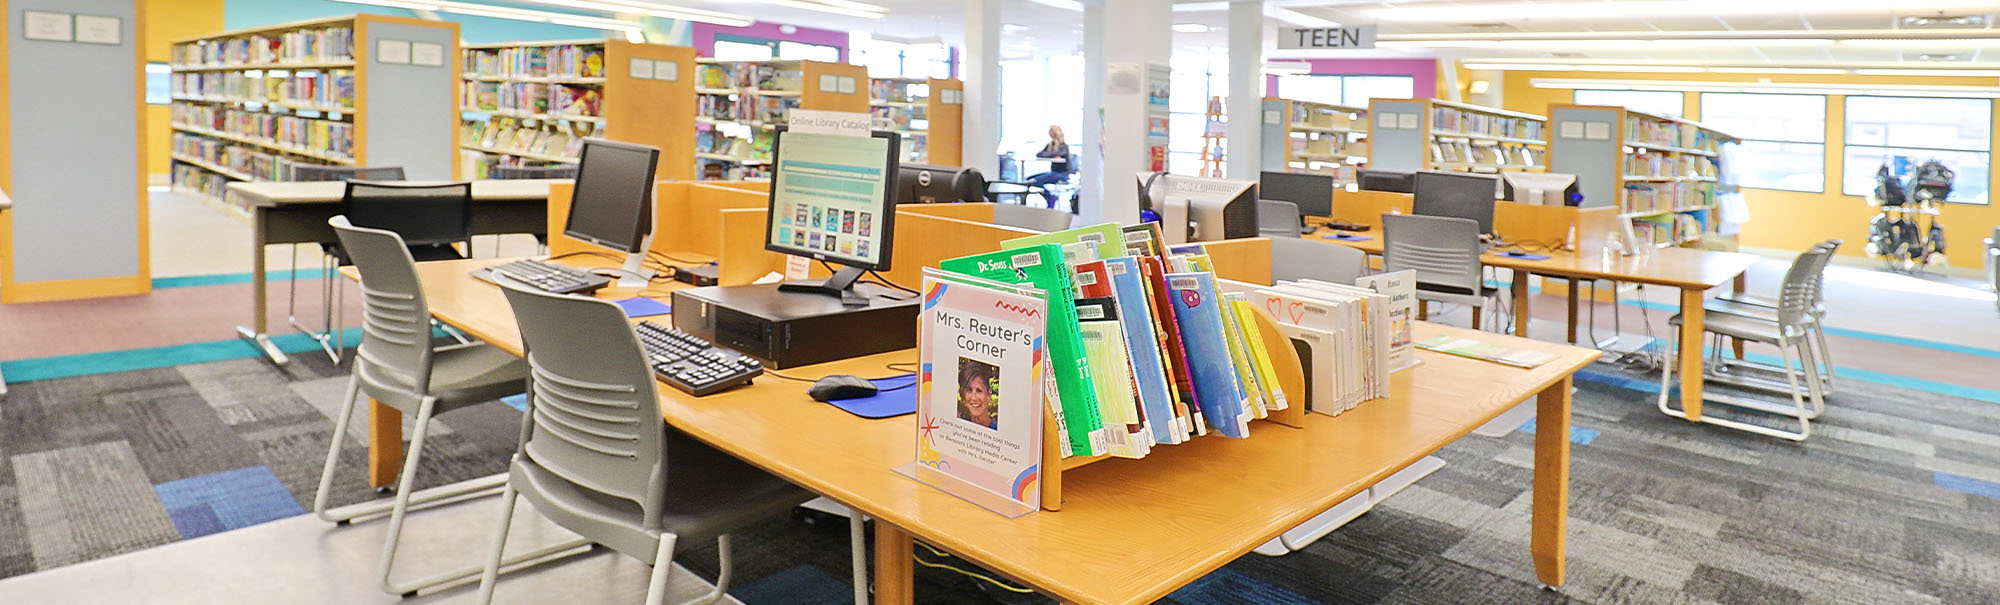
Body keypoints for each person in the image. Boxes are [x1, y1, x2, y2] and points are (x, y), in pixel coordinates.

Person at [1025, 125, 1073, 208]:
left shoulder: (1063, 146)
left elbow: (1059, 154)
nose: (1050, 133)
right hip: (1052, 172)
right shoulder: (1051, 144)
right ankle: (1049, 196)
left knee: (1035, 181)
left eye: (1051, 131)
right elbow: (1040, 154)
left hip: (1062, 174)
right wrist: (1052, 155)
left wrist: (1050, 154)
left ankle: (1050, 197)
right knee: (1029, 180)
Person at [956, 358, 999, 430]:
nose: (974, 398)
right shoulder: (959, 425)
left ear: (989, 394)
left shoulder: (997, 429)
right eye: (969, 390)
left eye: (979, 391)